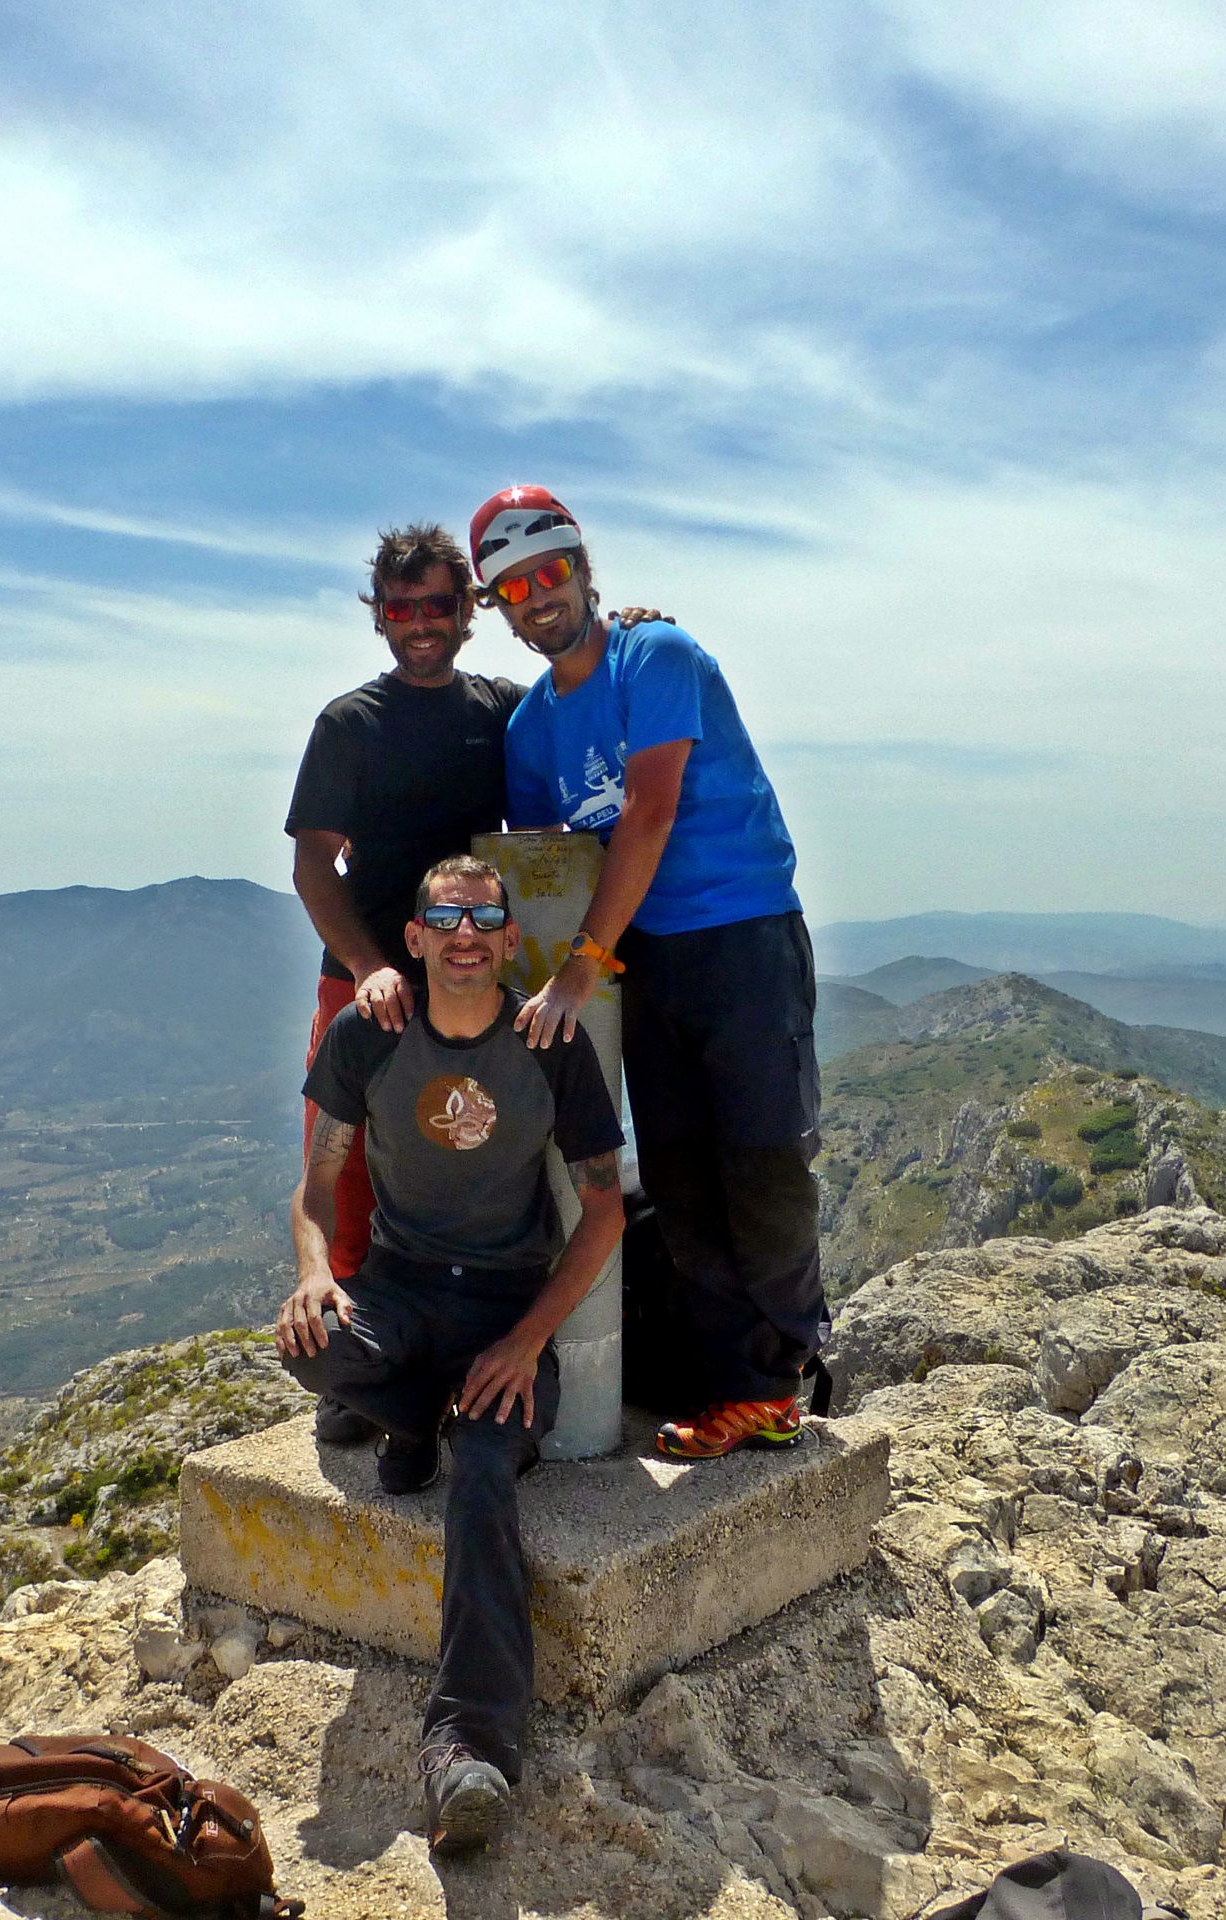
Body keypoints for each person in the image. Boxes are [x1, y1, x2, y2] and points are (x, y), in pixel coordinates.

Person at [273, 854, 625, 1856]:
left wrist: (525, 1344)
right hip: (400, 1289)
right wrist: (315, 1275)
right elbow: (315, 1189)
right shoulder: (367, 1035)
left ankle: (469, 1745)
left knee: (481, 1472)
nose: (464, 934)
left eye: (482, 918)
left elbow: (604, 1211)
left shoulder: (548, 1044)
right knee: (309, 1343)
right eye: (445, 918)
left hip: (507, 1309)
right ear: (416, 937)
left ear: (510, 939)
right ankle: (416, 1417)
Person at [471, 484, 829, 1461]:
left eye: (551, 571)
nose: (538, 596)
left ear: (584, 570)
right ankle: (734, 1388)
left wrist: (580, 969)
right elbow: (549, 857)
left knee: (761, 1160)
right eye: (513, 587)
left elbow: (650, 811)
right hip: (645, 958)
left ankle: (781, 1376)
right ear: (497, 608)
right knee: (678, 1174)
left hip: (741, 932)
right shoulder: (530, 728)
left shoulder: (656, 655)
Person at [283, 525, 525, 1443]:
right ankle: (356, 1374)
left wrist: (623, 631)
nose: (420, 622)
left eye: (437, 604)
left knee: (469, 1169)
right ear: (379, 617)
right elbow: (314, 866)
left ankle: (446, 1357)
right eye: (401, 606)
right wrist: (368, 966)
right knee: (345, 1181)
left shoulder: (500, 710)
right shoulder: (350, 724)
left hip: (469, 984)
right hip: (364, 985)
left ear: (468, 611)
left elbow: (586, 703)